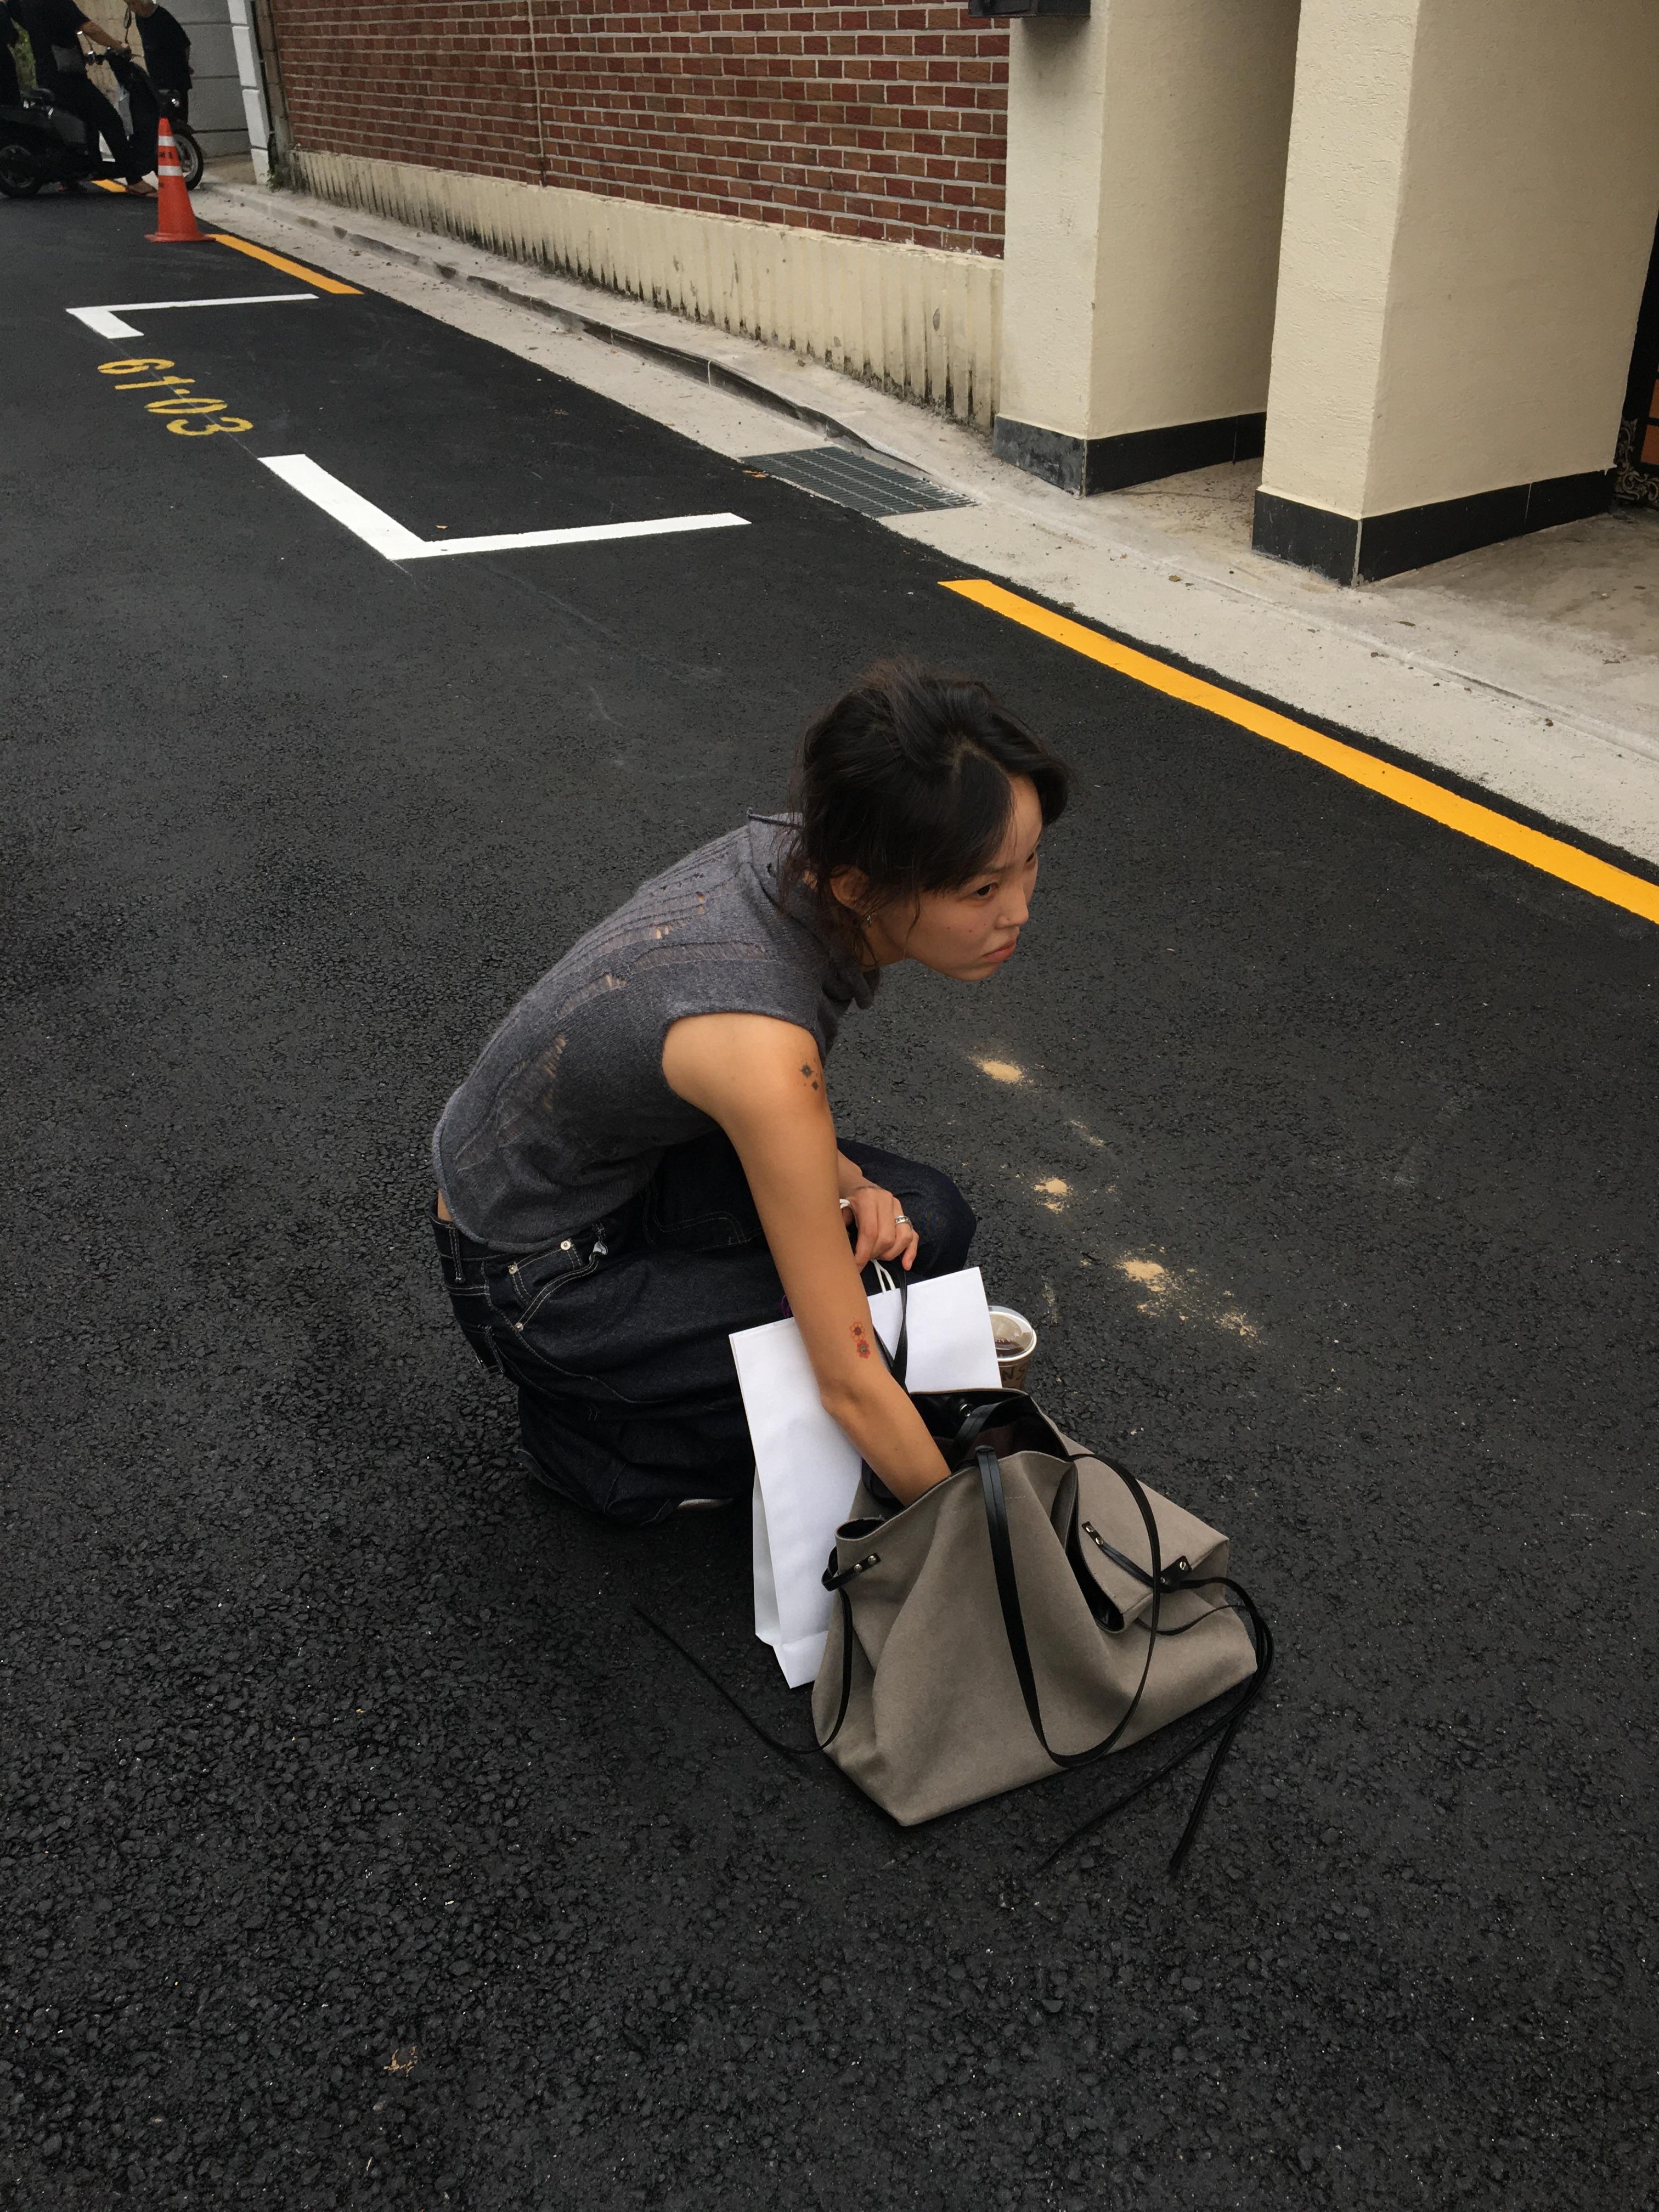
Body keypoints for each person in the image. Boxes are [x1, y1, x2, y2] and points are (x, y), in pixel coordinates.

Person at [432, 662, 1070, 1526]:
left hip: (628, 1172)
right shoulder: (762, 1038)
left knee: (923, 1223)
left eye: (1029, 865)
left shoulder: (810, 849)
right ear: (860, 886)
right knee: (844, 1369)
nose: (1018, 910)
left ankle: (651, 1397)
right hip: (539, 1282)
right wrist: (988, 1541)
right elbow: (849, 1382)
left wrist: (852, 1184)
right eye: (983, 889)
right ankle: (597, 1445)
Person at [15, 0, 153, 189]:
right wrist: (118, 46)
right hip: (68, 77)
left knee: (79, 123)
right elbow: (89, 28)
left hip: (46, 74)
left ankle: (70, 178)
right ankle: (135, 180)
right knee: (109, 119)